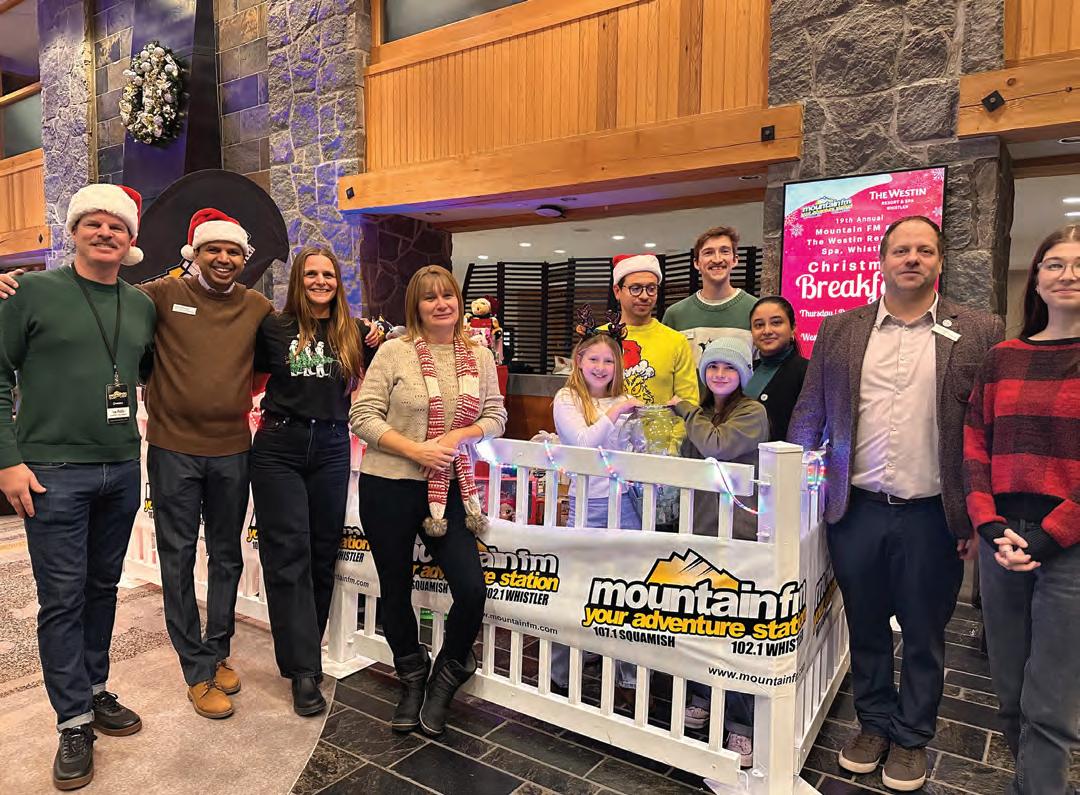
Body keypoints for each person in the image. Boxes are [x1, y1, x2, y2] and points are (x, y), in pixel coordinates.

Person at [789, 215, 1003, 792]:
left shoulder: (979, 330)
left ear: (940, 262)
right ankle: (873, 725)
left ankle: (911, 737)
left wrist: (978, 513)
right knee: (864, 624)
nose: (912, 258)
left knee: (925, 630)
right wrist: (790, 486)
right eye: (901, 250)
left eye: (924, 250)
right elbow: (811, 410)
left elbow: (985, 428)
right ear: (882, 261)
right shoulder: (841, 329)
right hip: (855, 507)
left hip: (934, 514)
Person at [0, 184, 156, 790]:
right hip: (51, 473)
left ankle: (93, 688)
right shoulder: (30, 292)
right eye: (93, 223)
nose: (105, 233)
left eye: (117, 226)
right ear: (73, 231)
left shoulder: (139, 305)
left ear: (131, 239)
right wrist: (7, 460)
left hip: (120, 467)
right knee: (62, 599)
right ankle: (72, 721)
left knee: (101, 589)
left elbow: (146, 372)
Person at [350, 265, 506, 737]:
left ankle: (449, 672)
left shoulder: (478, 355)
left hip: (449, 488)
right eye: (430, 297)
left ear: (459, 301)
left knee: (471, 588)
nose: (441, 304)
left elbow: (496, 414)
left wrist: (461, 434)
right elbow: (362, 415)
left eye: (448, 295)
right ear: (415, 306)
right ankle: (412, 675)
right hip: (389, 484)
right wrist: (415, 449)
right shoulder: (394, 351)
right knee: (395, 588)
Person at [139, 209, 272, 720]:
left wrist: (371, 334)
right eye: (213, 249)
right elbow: (107, 302)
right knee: (176, 557)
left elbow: (289, 342)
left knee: (227, 555)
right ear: (194, 253)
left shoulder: (256, 306)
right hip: (173, 448)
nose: (223, 258)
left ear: (244, 258)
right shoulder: (162, 293)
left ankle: (217, 650)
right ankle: (195, 669)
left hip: (233, 448)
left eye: (233, 251)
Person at [963, 225, 1080, 795]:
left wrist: (1050, 536)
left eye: (1079, 265)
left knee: (1050, 706)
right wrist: (990, 525)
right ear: (1036, 279)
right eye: (1055, 264)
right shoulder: (1002, 358)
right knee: (1009, 693)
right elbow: (974, 445)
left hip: (1070, 547)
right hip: (1002, 538)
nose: (1068, 274)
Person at [251, 246, 378, 716]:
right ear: (297, 280)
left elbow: (394, 358)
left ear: (337, 281)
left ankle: (306, 652)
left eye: (328, 274)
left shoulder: (355, 332)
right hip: (279, 445)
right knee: (288, 553)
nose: (320, 281)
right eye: (311, 274)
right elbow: (246, 377)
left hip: (331, 445)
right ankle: (304, 670)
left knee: (323, 553)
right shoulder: (274, 327)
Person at [668, 335, 769, 765]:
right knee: (697, 621)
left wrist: (685, 409)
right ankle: (702, 697)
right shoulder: (705, 413)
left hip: (738, 532)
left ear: (743, 374)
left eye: (729, 367)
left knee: (735, 629)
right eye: (712, 367)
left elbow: (717, 445)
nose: (720, 374)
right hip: (700, 528)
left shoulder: (752, 412)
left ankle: (741, 725)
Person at [550, 308, 642, 702]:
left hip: (626, 504)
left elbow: (635, 449)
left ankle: (628, 674)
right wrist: (617, 412)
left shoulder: (624, 399)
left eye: (609, 361)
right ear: (579, 360)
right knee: (576, 585)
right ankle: (560, 671)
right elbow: (584, 444)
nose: (601, 367)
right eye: (594, 359)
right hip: (586, 504)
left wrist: (645, 424)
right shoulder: (568, 398)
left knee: (629, 587)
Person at [610, 253, 698, 406]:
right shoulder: (599, 337)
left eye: (651, 288)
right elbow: (581, 396)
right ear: (617, 291)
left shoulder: (676, 341)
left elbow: (689, 403)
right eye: (635, 288)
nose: (645, 296)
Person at [662, 226, 756, 359]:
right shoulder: (675, 315)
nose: (717, 259)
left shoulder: (755, 310)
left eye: (724, 251)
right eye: (708, 253)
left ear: (735, 260)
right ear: (696, 263)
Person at [746, 296, 808, 441]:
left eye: (776, 323)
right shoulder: (745, 370)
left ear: (793, 328)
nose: (767, 331)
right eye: (759, 325)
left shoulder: (807, 372)